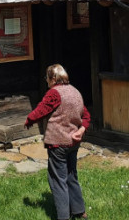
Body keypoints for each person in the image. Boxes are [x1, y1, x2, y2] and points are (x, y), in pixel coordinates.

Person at [25, 64, 91, 220]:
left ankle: (63, 216)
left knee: (57, 180)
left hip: (58, 143)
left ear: (53, 78)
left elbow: (42, 110)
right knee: (71, 175)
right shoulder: (76, 92)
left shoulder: (54, 93)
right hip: (73, 143)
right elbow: (86, 116)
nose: (46, 81)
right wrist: (81, 131)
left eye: (47, 77)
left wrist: (29, 120)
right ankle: (80, 211)